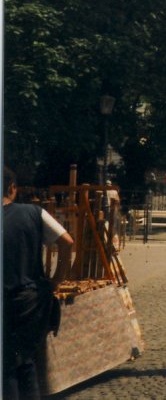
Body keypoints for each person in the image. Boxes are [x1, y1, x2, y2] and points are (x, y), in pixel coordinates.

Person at [3, 169, 74, 399]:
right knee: (26, 361)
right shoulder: (34, 212)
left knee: (7, 367)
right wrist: (56, 280)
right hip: (30, 302)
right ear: (12, 187)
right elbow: (67, 242)